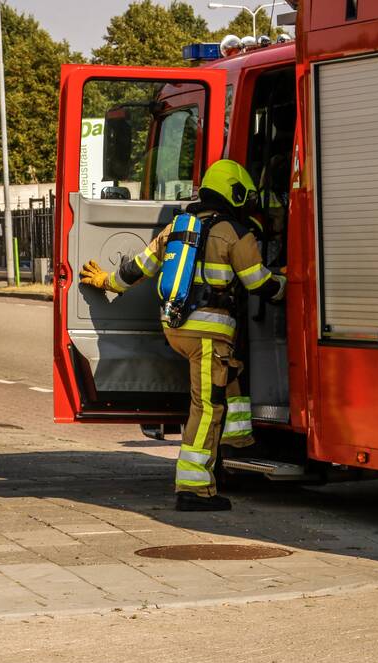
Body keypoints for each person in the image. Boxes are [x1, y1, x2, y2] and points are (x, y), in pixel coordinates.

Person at [79, 160, 286, 512]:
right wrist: (292, 283)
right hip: (209, 332)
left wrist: (105, 281)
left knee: (229, 373)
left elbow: (138, 268)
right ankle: (194, 488)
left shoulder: (178, 227)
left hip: (176, 328)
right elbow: (259, 284)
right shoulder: (234, 232)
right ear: (235, 193)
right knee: (206, 407)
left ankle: (238, 440)